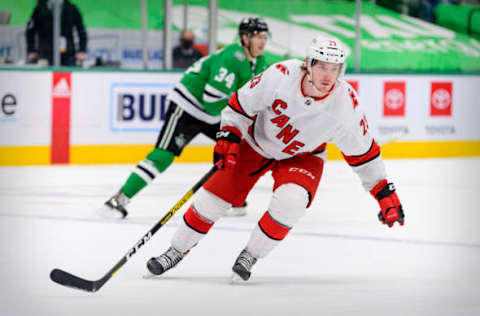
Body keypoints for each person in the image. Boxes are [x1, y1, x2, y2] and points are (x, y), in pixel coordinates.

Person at [145, 35, 405, 281]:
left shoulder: (346, 105)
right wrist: (228, 135)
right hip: (255, 143)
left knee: (292, 202)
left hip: (302, 156)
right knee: (211, 200)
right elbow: (240, 105)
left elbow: (364, 154)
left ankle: (250, 256)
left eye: (335, 68)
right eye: (322, 67)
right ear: (308, 64)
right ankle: (176, 251)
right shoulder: (282, 75)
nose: (328, 76)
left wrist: (384, 194)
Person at [99, 17, 270, 219]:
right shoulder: (233, 56)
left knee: (241, 150)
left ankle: (233, 199)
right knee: (163, 155)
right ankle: (119, 199)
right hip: (188, 106)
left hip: (214, 113)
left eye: (265, 37)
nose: (262, 41)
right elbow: (212, 101)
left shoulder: (259, 62)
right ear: (244, 38)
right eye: (257, 36)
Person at [26, 0, 87, 66]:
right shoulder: (40, 9)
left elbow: (81, 31)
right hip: (45, 53)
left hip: (68, 54)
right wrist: (31, 50)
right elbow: (30, 31)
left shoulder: (71, 8)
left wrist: (82, 50)